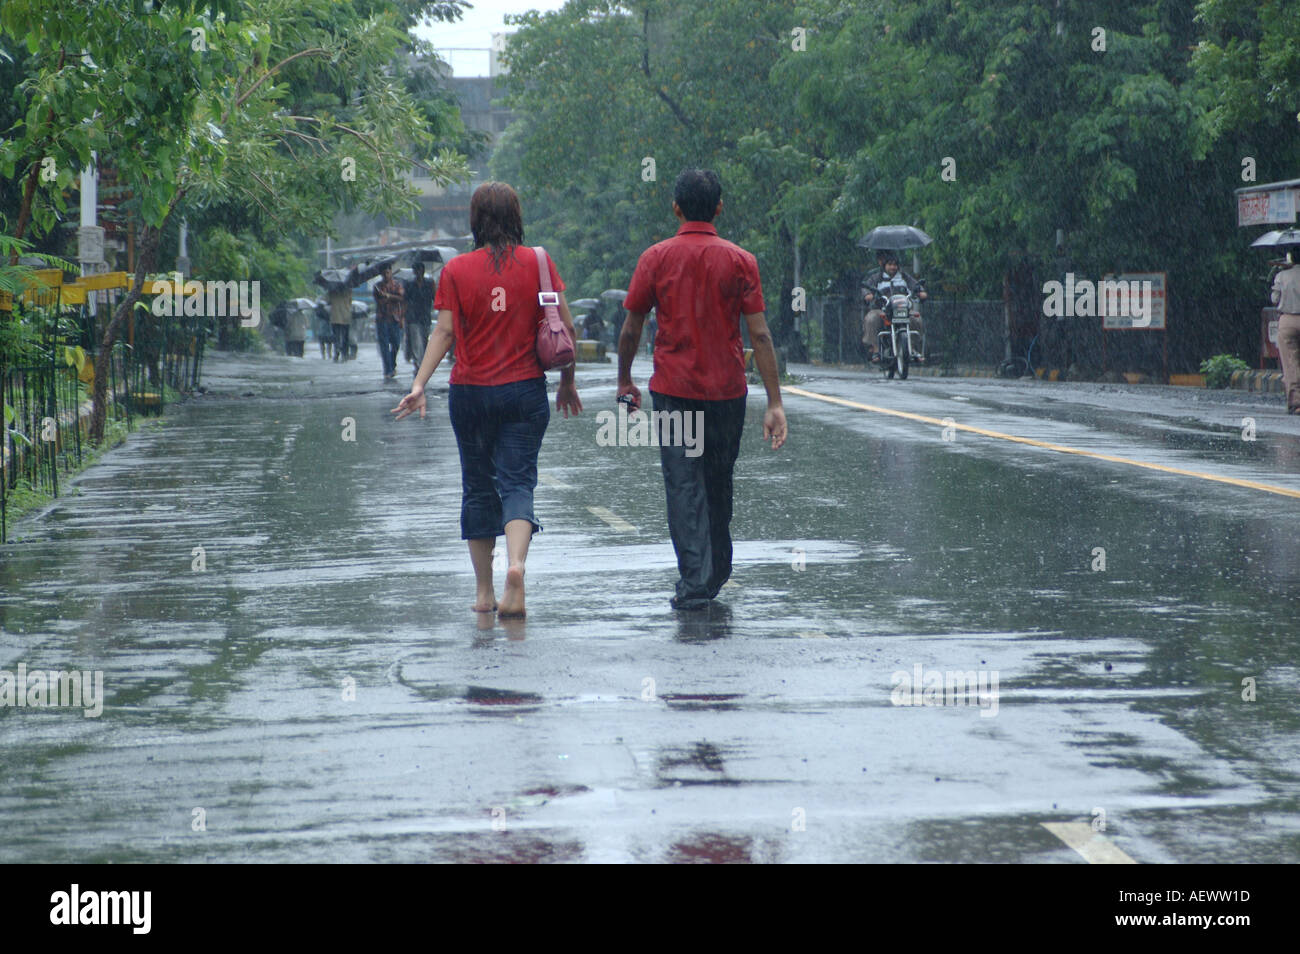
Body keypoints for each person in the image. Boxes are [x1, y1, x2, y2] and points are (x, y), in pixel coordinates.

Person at [392, 181, 582, 618]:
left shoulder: (456, 270)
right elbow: (565, 330)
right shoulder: (538, 262)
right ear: (516, 217)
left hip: (472, 394)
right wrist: (567, 383)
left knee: (478, 487)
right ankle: (517, 566)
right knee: (517, 482)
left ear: (474, 220)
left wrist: (420, 384)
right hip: (524, 392)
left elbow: (443, 332)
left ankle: (483, 592)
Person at [619, 168, 788, 611]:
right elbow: (761, 335)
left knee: (684, 483)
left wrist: (625, 382)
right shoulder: (740, 261)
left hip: (675, 391)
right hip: (727, 393)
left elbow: (631, 327)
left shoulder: (655, 258)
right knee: (717, 480)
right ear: (718, 208)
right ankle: (713, 572)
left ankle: (696, 580)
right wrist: (774, 402)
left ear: (675, 208)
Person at [861, 251, 927, 363]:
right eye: (890, 264)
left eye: (895, 264)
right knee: (871, 318)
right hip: (882, 311)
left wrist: (921, 293)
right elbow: (866, 289)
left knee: (916, 318)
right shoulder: (876, 278)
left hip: (903, 310)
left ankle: (913, 348)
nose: (893, 267)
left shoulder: (905, 277)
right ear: (884, 265)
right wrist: (868, 295)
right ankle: (876, 349)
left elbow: (916, 287)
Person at [1272, 250, 1300, 414]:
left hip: (1288, 320)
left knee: (1291, 363)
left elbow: (1274, 299)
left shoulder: (1282, 276)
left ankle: (1296, 403)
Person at [403, 261, 436, 378]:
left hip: (425, 317)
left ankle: (423, 363)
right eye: (416, 271)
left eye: (420, 270)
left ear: (423, 271)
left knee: (424, 341)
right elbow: (405, 301)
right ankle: (418, 365)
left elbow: (435, 298)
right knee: (416, 342)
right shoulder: (409, 284)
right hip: (413, 317)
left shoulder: (429, 283)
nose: (418, 273)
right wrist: (404, 317)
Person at [373, 265, 405, 379]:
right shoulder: (377, 286)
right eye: (384, 273)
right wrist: (383, 296)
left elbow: (401, 298)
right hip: (382, 319)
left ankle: (392, 363)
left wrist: (389, 296)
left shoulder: (397, 285)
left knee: (396, 343)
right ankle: (388, 369)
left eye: (388, 272)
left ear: (391, 272)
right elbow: (378, 301)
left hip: (394, 318)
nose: (386, 275)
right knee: (384, 346)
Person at [327, 286, 351, 362]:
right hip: (345, 316)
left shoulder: (332, 291)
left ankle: (337, 351)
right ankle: (345, 354)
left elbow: (328, 302)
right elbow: (350, 302)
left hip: (335, 316)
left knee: (336, 336)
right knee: (345, 337)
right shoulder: (348, 291)